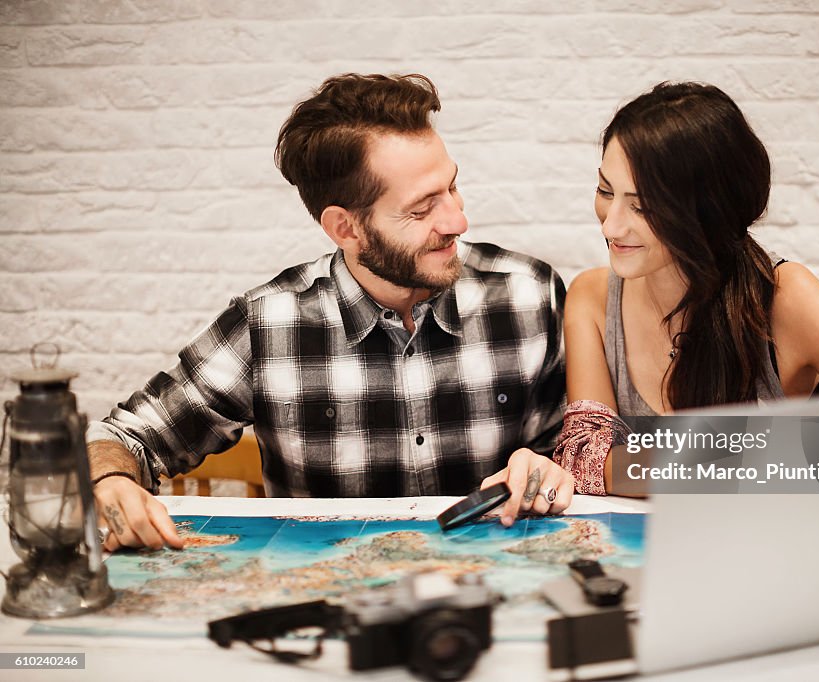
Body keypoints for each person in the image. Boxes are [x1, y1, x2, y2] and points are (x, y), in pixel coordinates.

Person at [87, 73, 571, 551]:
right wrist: (110, 482)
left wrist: (555, 466)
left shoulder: (530, 295)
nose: (457, 220)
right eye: (421, 210)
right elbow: (124, 437)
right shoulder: (268, 325)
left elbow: (589, 449)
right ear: (346, 227)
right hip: (329, 603)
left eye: (452, 187)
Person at [554, 81, 819, 496]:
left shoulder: (785, 296)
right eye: (605, 190)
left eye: (642, 205)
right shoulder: (592, 298)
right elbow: (581, 459)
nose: (610, 225)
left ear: (708, 211)